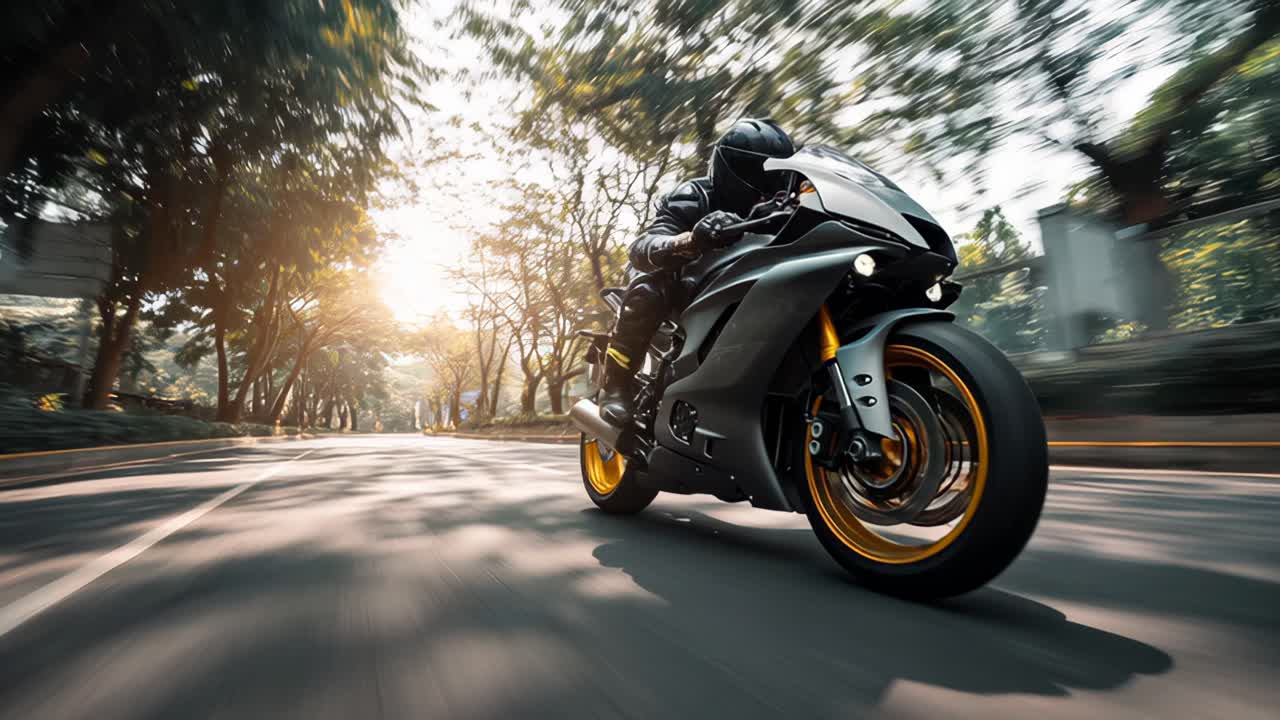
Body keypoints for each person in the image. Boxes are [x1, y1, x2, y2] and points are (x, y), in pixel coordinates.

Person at [599, 118, 797, 427]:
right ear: (729, 167)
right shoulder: (694, 196)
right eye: (756, 173)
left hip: (747, 287)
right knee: (649, 290)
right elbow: (642, 248)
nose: (768, 186)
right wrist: (692, 239)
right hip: (684, 286)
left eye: (777, 175)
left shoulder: (785, 204)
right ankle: (615, 386)